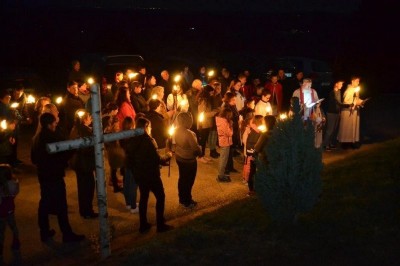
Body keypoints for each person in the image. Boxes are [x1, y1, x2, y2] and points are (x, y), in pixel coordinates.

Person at [31, 113, 85, 243]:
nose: (56, 124)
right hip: (53, 175)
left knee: (44, 203)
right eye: (55, 122)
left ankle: (44, 232)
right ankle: (67, 234)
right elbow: (61, 155)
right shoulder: (50, 137)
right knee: (61, 205)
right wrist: (73, 148)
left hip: (43, 175)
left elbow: (34, 158)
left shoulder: (37, 137)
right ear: (49, 124)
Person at [125, 117, 173, 233]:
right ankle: (160, 224)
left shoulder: (132, 139)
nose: (151, 129)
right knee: (160, 196)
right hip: (151, 174)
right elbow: (157, 158)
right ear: (146, 127)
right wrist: (168, 155)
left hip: (140, 175)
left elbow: (134, 159)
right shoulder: (147, 141)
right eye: (150, 126)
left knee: (144, 198)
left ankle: (143, 225)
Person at [69, 111, 98, 219]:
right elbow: (87, 148)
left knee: (82, 188)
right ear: (84, 119)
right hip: (84, 164)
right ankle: (87, 211)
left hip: (78, 163)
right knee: (88, 188)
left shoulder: (75, 128)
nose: (91, 118)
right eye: (89, 117)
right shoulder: (84, 131)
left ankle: (84, 210)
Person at [174, 112, 201, 208]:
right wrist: (200, 149)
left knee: (182, 179)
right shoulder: (189, 133)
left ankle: (181, 198)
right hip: (188, 160)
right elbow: (195, 149)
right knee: (189, 181)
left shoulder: (176, 130)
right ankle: (187, 200)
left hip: (179, 158)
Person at [322, 79, 352, 151]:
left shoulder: (339, 91)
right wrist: (348, 105)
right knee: (330, 129)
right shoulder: (332, 93)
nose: (341, 86)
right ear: (336, 84)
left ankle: (330, 143)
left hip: (336, 113)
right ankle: (325, 145)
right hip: (331, 113)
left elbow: (339, 103)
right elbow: (338, 102)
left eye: (342, 84)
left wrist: (340, 111)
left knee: (334, 129)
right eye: (340, 84)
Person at [337, 76, 365, 148]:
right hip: (348, 112)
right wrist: (355, 103)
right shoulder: (349, 90)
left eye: (358, 81)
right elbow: (346, 101)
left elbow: (356, 98)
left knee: (353, 127)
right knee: (347, 127)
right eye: (356, 81)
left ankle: (352, 141)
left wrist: (361, 101)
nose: (358, 83)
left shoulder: (356, 89)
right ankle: (345, 143)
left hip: (354, 111)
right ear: (352, 81)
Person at [102, 103, 123, 192]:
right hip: (111, 142)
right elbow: (110, 130)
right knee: (114, 164)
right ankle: (115, 185)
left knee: (113, 164)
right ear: (112, 110)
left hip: (108, 142)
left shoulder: (103, 117)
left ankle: (113, 179)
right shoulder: (110, 119)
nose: (117, 111)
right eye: (116, 110)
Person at [0, 164, 20, 258]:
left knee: (1, 230)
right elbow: (15, 192)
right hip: (10, 208)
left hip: (1, 210)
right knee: (13, 226)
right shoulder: (13, 184)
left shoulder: (2, 186)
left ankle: (0, 247)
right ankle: (16, 241)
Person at [119, 117, 139, 214]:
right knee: (133, 185)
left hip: (125, 161)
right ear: (131, 125)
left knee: (127, 183)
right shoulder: (132, 136)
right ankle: (133, 206)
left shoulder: (122, 134)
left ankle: (128, 204)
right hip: (132, 162)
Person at [215, 107, 233, 182]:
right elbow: (229, 133)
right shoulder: (224, 122)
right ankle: (221, 176)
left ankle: (221, 174)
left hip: (223, 140)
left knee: (223, 158)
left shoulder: (220, 120)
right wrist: (231, 127)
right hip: (225, 141)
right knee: (223, 159)